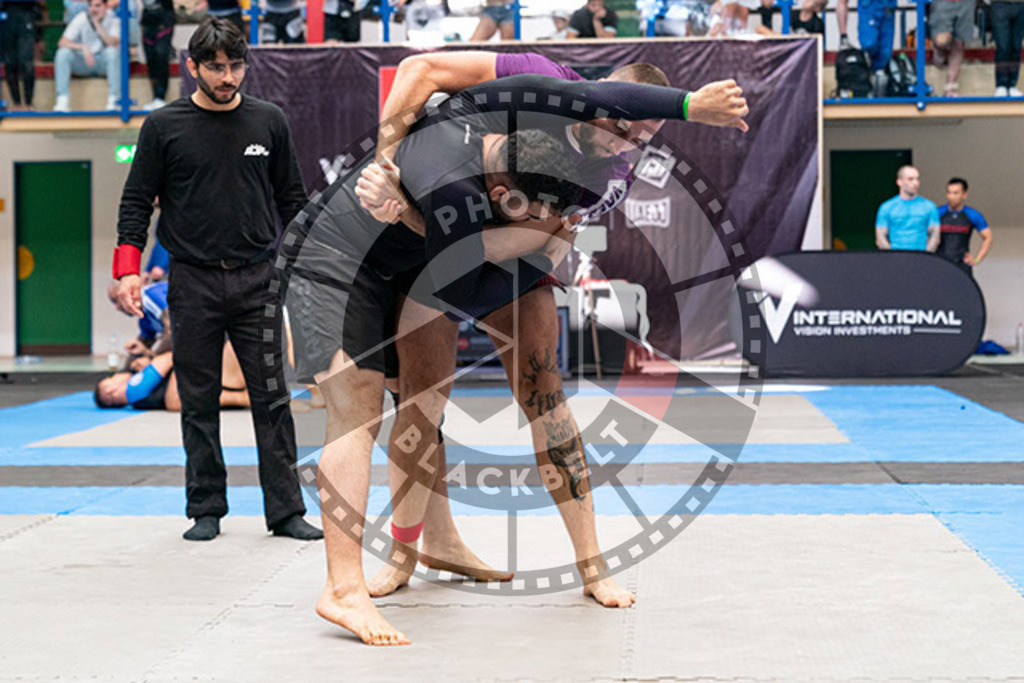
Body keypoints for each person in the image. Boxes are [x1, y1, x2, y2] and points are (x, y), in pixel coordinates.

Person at [354, 51, 748, 604]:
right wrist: (386, 165)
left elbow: (543, 242)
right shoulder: (547, 81)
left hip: (513, 251)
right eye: (622, 126)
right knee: (424, 399)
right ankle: (404, 555)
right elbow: (420, 70)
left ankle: (592, 566)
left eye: (643, 138)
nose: (626, 144)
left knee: (546, 397)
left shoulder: (613, 171)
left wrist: (528, 241)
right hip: (442, 229)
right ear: (605, 97)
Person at [113, 17, 321, 543]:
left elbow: (292, 201)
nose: (228, 77)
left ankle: (286, 511)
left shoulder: (269, 121)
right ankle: (206, 508)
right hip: (193, 281)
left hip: (258, 279)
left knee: (272, 400)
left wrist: (311, 267)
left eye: (235, 66)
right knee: (198, 401)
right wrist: (127, 270)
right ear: (192, 68)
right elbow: (136, 202)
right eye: (216, 67)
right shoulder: (163, 127)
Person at [95, 343, 250, 411]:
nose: (116, 375)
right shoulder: (134, 390)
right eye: (111, 379)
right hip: (206, 382)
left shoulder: (138, 389)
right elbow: (170, 358)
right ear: (110, 392)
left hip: (208, 381)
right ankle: (243, 397)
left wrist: (149, 358)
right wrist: (152, 362)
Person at [52, 0, 121, 112]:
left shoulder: (113, 18)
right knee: (63, 53)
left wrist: (98, 25)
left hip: (103, 63)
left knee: (112, 52)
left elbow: (112, 43)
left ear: (105, 6)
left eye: (98, 6)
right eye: (91, 6)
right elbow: (62, 42)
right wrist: (83, 48)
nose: (93, 9)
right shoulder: (82, 18)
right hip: (84, 62)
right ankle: (62, 100)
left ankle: (113, 99)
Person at [875, 165, 940, 252]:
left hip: (921, 258)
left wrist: (926, 257)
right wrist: (892, 257)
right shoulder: (886, 207)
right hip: (895, 258)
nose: (915, 183)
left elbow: (935, 237)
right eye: (910, 179)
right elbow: (880, 238)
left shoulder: (929, 206)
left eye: (917, 179)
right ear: (899, 182)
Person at [937, 177, 993, 276]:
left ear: (964, 195)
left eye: (955, 193)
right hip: (940, 262)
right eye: (949, 192)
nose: (951, 196)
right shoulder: (938, 213)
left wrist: (977, 259)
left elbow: (988, 237)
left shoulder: (973, 215)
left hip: (962, 264)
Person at [108, 278, 172, 355]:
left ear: (130, 292)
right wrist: (137, 347)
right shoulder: (144, 319)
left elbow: (173, 331)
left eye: (116, 300)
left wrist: (150, 355)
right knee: (136, 362)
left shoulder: (151, 296)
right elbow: (143, 345)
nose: (117, 308)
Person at [1, 0, 41, 110]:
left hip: (26, 14)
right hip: (6, 16)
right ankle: (16, 103)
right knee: (10, 62)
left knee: (26, 61)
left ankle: (29, 103)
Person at [931, 0, 973, 97]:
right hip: (943, 2)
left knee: (959, 44)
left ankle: (950, 87)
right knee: (941, 41)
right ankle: (938, 50)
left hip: (966, 3)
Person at [138, 0, 175, 109]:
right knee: (150, 57)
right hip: (148, 19)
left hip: (165, 17)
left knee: (161, 54)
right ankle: (155, 97)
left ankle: (161, 96)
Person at [857, 0, 896, 86]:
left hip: (888, 6)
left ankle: (878, 83)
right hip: (869, 5)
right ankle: (869, 69)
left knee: (885, 51)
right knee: (869, 43)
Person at [992, 0, 1024, 96]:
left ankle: (1012, 84)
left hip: (1021, 4)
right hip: (1000, 4)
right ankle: (1001, 84)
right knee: (1003, 46)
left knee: (1016, 46)